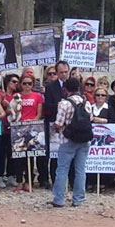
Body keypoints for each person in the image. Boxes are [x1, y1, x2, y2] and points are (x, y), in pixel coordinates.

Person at [49, 78, 92, 207]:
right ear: (79, 88)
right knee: (80, 169)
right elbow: (90, 119)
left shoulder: (64, 104)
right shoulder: (87, 103)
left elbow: (59, 123)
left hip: (68, 139)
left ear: (65, 89)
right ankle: (78, 199)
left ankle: (59, 198)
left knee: (62, 169)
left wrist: (55, 127)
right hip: (84, 139)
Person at [12, 74, 43, 192]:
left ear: (33, 85)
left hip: (32, 128)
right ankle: (19, 181)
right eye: (24, 83)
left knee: (30, 156)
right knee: (18, 156)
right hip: (19, 128)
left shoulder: (37, 96)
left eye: (29, 83)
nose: (27, 86)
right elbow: (13, 110)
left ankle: (29, 181)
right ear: (20, 84)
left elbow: (39, 113)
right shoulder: (17, 96)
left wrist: (33, 121)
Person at [43, 60, 71, 188]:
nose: (64, 75)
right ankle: (55, 182)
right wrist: (61, 105)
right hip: (55, 125)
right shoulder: (50, 87)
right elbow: (47, 106)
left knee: (71, 155)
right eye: (61, 72)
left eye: (66, 72)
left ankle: (72, 182)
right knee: (55, 155)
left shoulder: (74, 85)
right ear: (57, 72)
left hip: (70, 126)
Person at [87, 86, 115, 192]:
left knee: (102, 160)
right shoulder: (90, 107)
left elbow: (112, 122)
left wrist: (100, 120)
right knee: (91, 160)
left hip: (104, 140)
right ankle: (90, 181)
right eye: (98, 95)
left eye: (103, 95)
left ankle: (103, 182)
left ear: (106, 97)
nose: (100, 97)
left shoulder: (109, 108)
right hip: (92, 139)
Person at [0, 74, 19, 188]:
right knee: (2, 154)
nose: (16, 84)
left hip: (14, 127)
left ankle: (11, 175)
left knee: (12, 154)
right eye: (14, 81)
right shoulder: (2, 95)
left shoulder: (17, 96)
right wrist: (4, 104)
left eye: (17, 82)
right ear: (7, 82)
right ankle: (0, 176)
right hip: (3, 127)